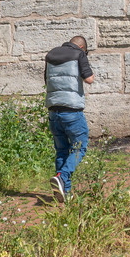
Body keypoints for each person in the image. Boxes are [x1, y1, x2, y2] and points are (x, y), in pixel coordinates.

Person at [44, 35, 95, 203]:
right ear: (82, 48)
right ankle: (62, 177)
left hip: (53, 111)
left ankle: (63, 194)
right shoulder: (79, 54)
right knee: (80, 146)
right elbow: (89, 79)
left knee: (62, 151)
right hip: (72, 111)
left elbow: (46, 80)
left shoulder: (51, 55)